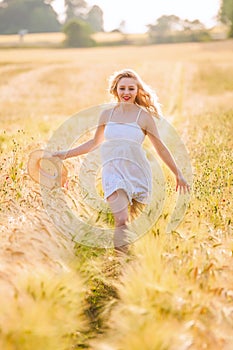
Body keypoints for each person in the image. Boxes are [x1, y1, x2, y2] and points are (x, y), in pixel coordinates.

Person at [52, 69, 191, 254]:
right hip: (112, 171)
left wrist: (178, 174)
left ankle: (131, 255)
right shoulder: (106, 115)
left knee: (130, 220)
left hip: (137, 172)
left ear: (138, 91)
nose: (126, 93)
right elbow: (94, 143)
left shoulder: (144, 117)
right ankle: (121, 260)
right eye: (122, 88)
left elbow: (161, 148)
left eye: (131, 89)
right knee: (121, 220)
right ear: (115, 90)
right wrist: (64, 154)